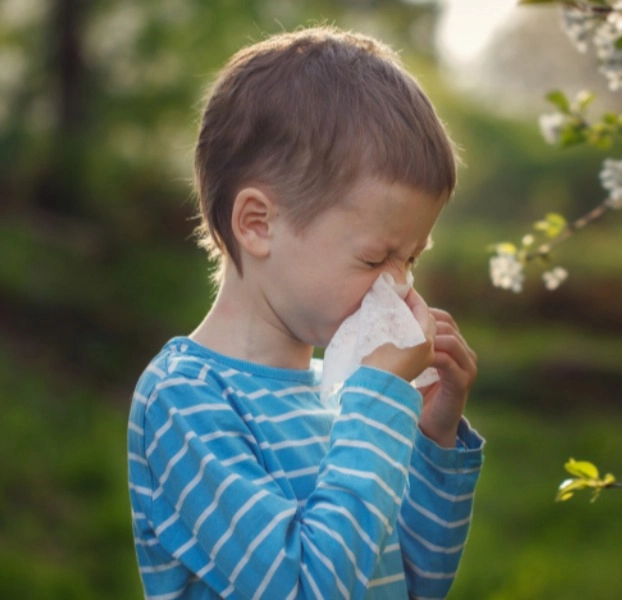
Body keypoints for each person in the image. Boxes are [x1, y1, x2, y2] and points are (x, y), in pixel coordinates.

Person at [126, 26, 483, 600]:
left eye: (411, 258)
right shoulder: (184, 400)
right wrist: (377, 404)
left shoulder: (340, 394)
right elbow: (304, 586)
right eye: (374, 257)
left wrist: (431, 439)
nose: (395, 286)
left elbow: (415, 586)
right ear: (257, 224)